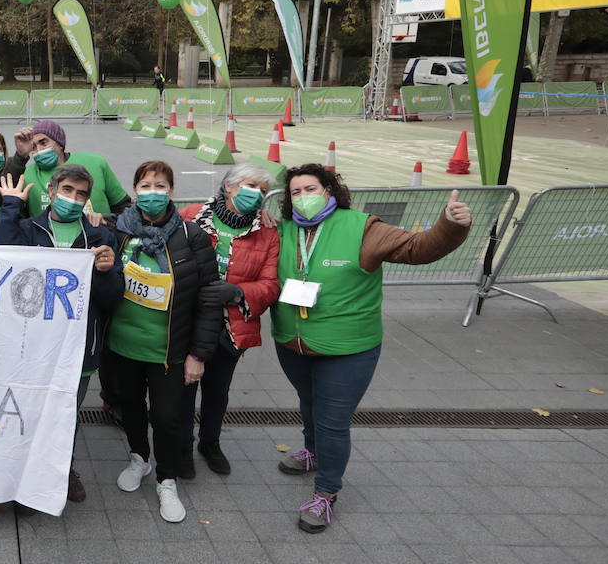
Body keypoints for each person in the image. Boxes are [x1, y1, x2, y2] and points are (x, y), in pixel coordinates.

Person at [273, 163, 470, 533]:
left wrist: (450, 224)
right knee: (309, 402)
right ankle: (312, 453)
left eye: (311, 189)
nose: (303, 197)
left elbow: (417, 248)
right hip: (293, 343)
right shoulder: (283, 230)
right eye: (296, 192)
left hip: (348, 350)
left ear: (330, 190)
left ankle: (326, 493)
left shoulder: (363, 227)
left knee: (332, 422)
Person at [0, 165, 124, 505]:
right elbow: (2, 259)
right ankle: (17, 474)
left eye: (81, 194)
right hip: (30, 347)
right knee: (26, 411)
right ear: (51, 192)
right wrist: (10, 206)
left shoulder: (100, 237)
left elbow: (111, 299)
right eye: (67, 190)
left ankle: (62, 470)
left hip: (78, 350)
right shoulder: (27, 228)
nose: (73, 199)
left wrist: (108, 272)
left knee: (66, 415)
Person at [99, 160, 221, 523]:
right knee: (131, 408)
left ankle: (167, 479)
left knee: (167, 418)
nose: (152, 193)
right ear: (134, 190)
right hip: (122, 345)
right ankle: (140, 457)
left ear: (171, 191)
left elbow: (209, 297)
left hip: (169, 349)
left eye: (160, 186)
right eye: (145, 186)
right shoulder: (117, 230)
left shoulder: (191, 236)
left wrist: (198, 354)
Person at [176, 163, 280, 479]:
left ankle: (210, 442)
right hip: (188, 319)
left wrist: (237, 291)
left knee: (217, 390)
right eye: (250, 186)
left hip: (232, 326)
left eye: (262, 191)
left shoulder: (268, 232)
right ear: (230, 186)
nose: (257, 195)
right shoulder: (192, 215)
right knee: (183, 389)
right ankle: (182, 448)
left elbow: (270, 284)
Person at [19, 119, 130, 218]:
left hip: (98, 237)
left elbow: (123, 205)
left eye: (43, 143)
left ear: (60, 143)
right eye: (33, 147)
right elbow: (6, 202)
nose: (39, 150)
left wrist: (109, 223)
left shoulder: (96, 162)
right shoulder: (26, 173)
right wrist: (20, 156)